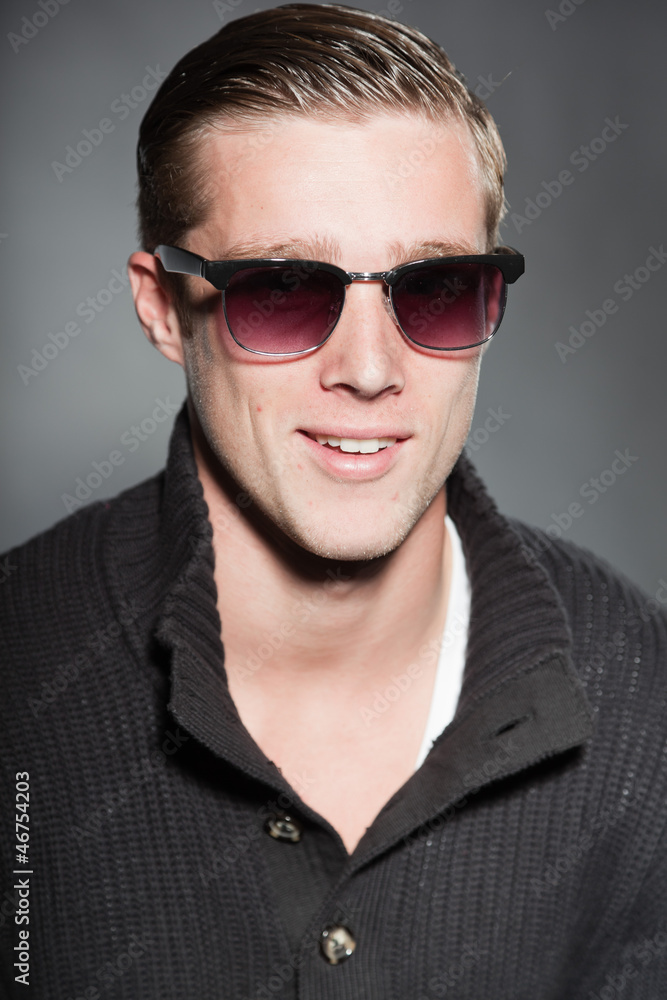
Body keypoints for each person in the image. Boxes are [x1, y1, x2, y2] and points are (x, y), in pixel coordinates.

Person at [1, 4, 666, 998]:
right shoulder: (20, 666)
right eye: (281, 289)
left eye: (436, 287)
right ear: (160, 306)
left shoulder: (642, 692)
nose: (368, 369)